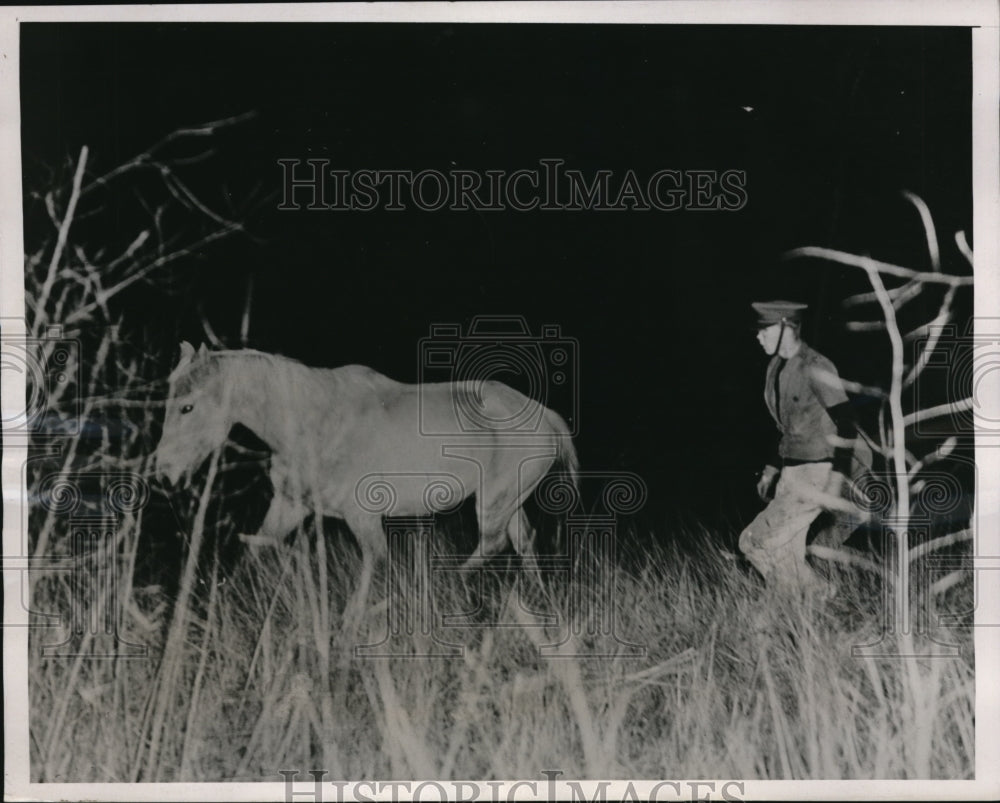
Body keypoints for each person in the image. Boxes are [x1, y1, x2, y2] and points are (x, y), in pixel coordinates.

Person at [740, 300, 865, 595]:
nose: (759, 337)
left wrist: (836, 479)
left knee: (755, 542)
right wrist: (771, 468)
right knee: (785, 555)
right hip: (791, 472)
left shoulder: (816, 366)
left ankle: (816, 593)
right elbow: (786, 424)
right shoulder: (776, 367)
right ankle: (806, 606)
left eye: (764, 331)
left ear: (787, 327)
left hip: (818, 471)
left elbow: (847, 423)